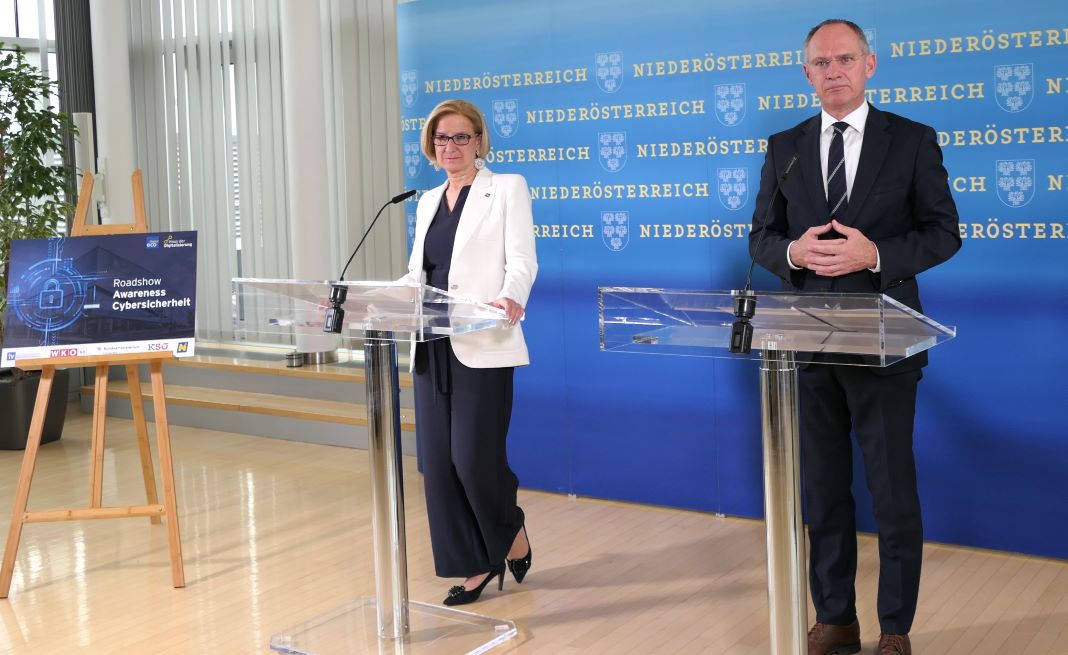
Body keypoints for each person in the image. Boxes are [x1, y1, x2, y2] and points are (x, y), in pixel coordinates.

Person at [749, 19, 961, 655]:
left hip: (886, 344)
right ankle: (835, 617)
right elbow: (761, 237)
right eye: (821, 62)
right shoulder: (784, 145)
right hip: (808, 347)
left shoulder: (912, 141)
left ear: (870, 65)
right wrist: (792, 251)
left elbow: (943, 232)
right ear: (806, 73)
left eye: (845, 58)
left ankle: (895, 628)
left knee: (893, 495)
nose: (833, 70)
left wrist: (877, 254)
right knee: (825, 493)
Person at [402, 99, 537, 606]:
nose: (450, 147)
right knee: (438, 464)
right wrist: (357, 297)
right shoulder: (428, 199)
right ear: (431, 147)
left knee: (474, 460)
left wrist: (512, 296)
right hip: (432, 344)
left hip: (484, 340)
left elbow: (523, 259)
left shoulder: (506, 188)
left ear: (480, 140)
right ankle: (475, 563)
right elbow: (420, 276)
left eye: (461, 137)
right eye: (441, 139)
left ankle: (510, 531)